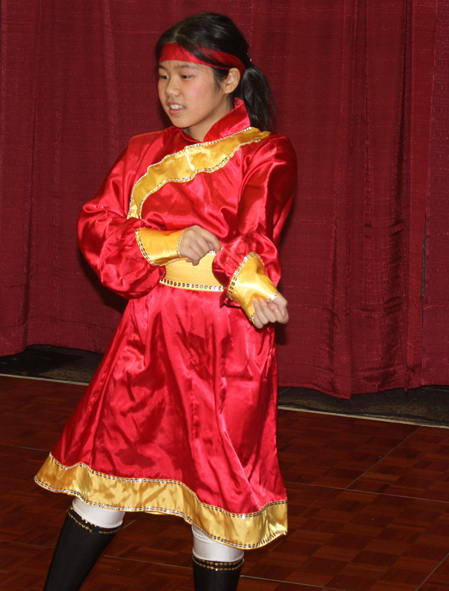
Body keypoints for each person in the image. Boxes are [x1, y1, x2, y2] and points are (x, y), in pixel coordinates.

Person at [35, 12, 297, 591]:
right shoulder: (142, 152)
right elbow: (97, 227)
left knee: (219, 501)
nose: (171, 91)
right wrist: (165, 241)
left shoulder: (265, 154)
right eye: (162, 77)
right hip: (148, 333)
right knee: (104, 480)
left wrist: (253, 288)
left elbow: (254, 235)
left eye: (186, 76)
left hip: (226, 340)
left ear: (230, 81)